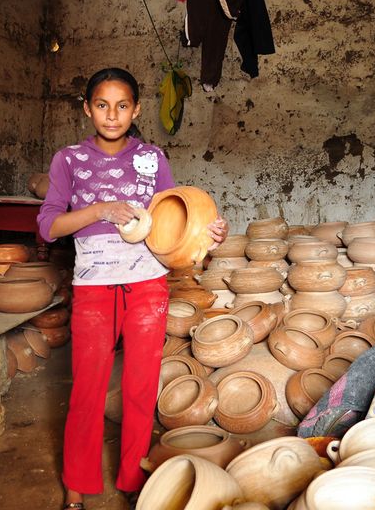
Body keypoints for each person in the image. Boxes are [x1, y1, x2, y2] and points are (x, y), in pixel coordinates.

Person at [36, 67, 228, 510]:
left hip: (147, 287)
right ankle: (76, 485)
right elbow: (48, 227)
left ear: (136, 109)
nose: (111, 115)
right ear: (87, 109)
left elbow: (171, 221)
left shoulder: (152, 158)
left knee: (141, 390)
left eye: (122, 106)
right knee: (87, 388)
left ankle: (131, 479)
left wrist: (206, 233)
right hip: (94, 289)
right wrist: (101, 209)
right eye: (101, 105)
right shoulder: (68, 160)